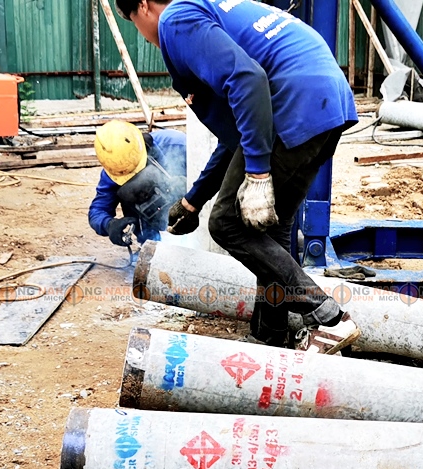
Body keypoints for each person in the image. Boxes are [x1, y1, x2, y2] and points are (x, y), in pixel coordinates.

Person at [117, 0, 361, 355]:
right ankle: (269, 336)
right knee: (270, 232)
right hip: (325, 100)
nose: (142, 35)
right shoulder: (211, 9)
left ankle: (329, 319)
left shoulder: (175, 18)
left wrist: (258, 174)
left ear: (143, 6)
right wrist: (193, 200)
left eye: (133, 22)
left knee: (227, 223)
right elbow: (238, 136)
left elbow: (248, 79)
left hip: (292, 100)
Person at [89, 120, 196, 248]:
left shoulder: (177, 145)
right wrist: (109, 224)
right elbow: (97, 211)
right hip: (150, 237)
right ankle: (150, 244)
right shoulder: (115, 170)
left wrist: (190, 187)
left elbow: (211, 179)